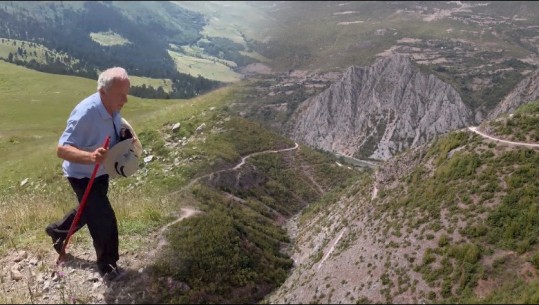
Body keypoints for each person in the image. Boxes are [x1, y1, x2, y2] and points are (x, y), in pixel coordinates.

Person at [45, 67, 130, 281]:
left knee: (89, 208)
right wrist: (91, 157)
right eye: (122, 95)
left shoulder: (112, 107)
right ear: (103, 92)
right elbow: (62, 149)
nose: (125, 100)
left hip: (101, 171)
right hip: (82, 174)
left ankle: (58, 232)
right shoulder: (86, 112)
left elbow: (113, 129)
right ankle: (108, 266)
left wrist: (125, 140)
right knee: (103, 217)